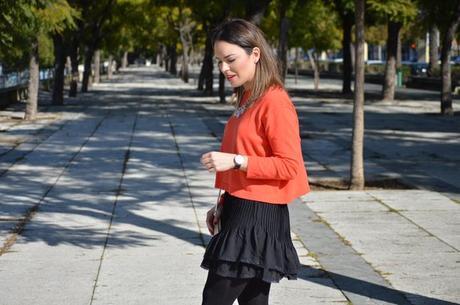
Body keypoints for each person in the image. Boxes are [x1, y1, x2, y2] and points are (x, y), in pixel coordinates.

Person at [200, 19, 310, 305]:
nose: (224, 68)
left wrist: (235, 161)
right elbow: (247, 151)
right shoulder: (248, 97)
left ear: (256, 54)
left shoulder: (275, 102)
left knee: (214, 297)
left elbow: (289, 166)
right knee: (253, 301)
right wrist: (222, 203)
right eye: (220, 61)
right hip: (241, 207)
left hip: (259, 215)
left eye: (231, 59)